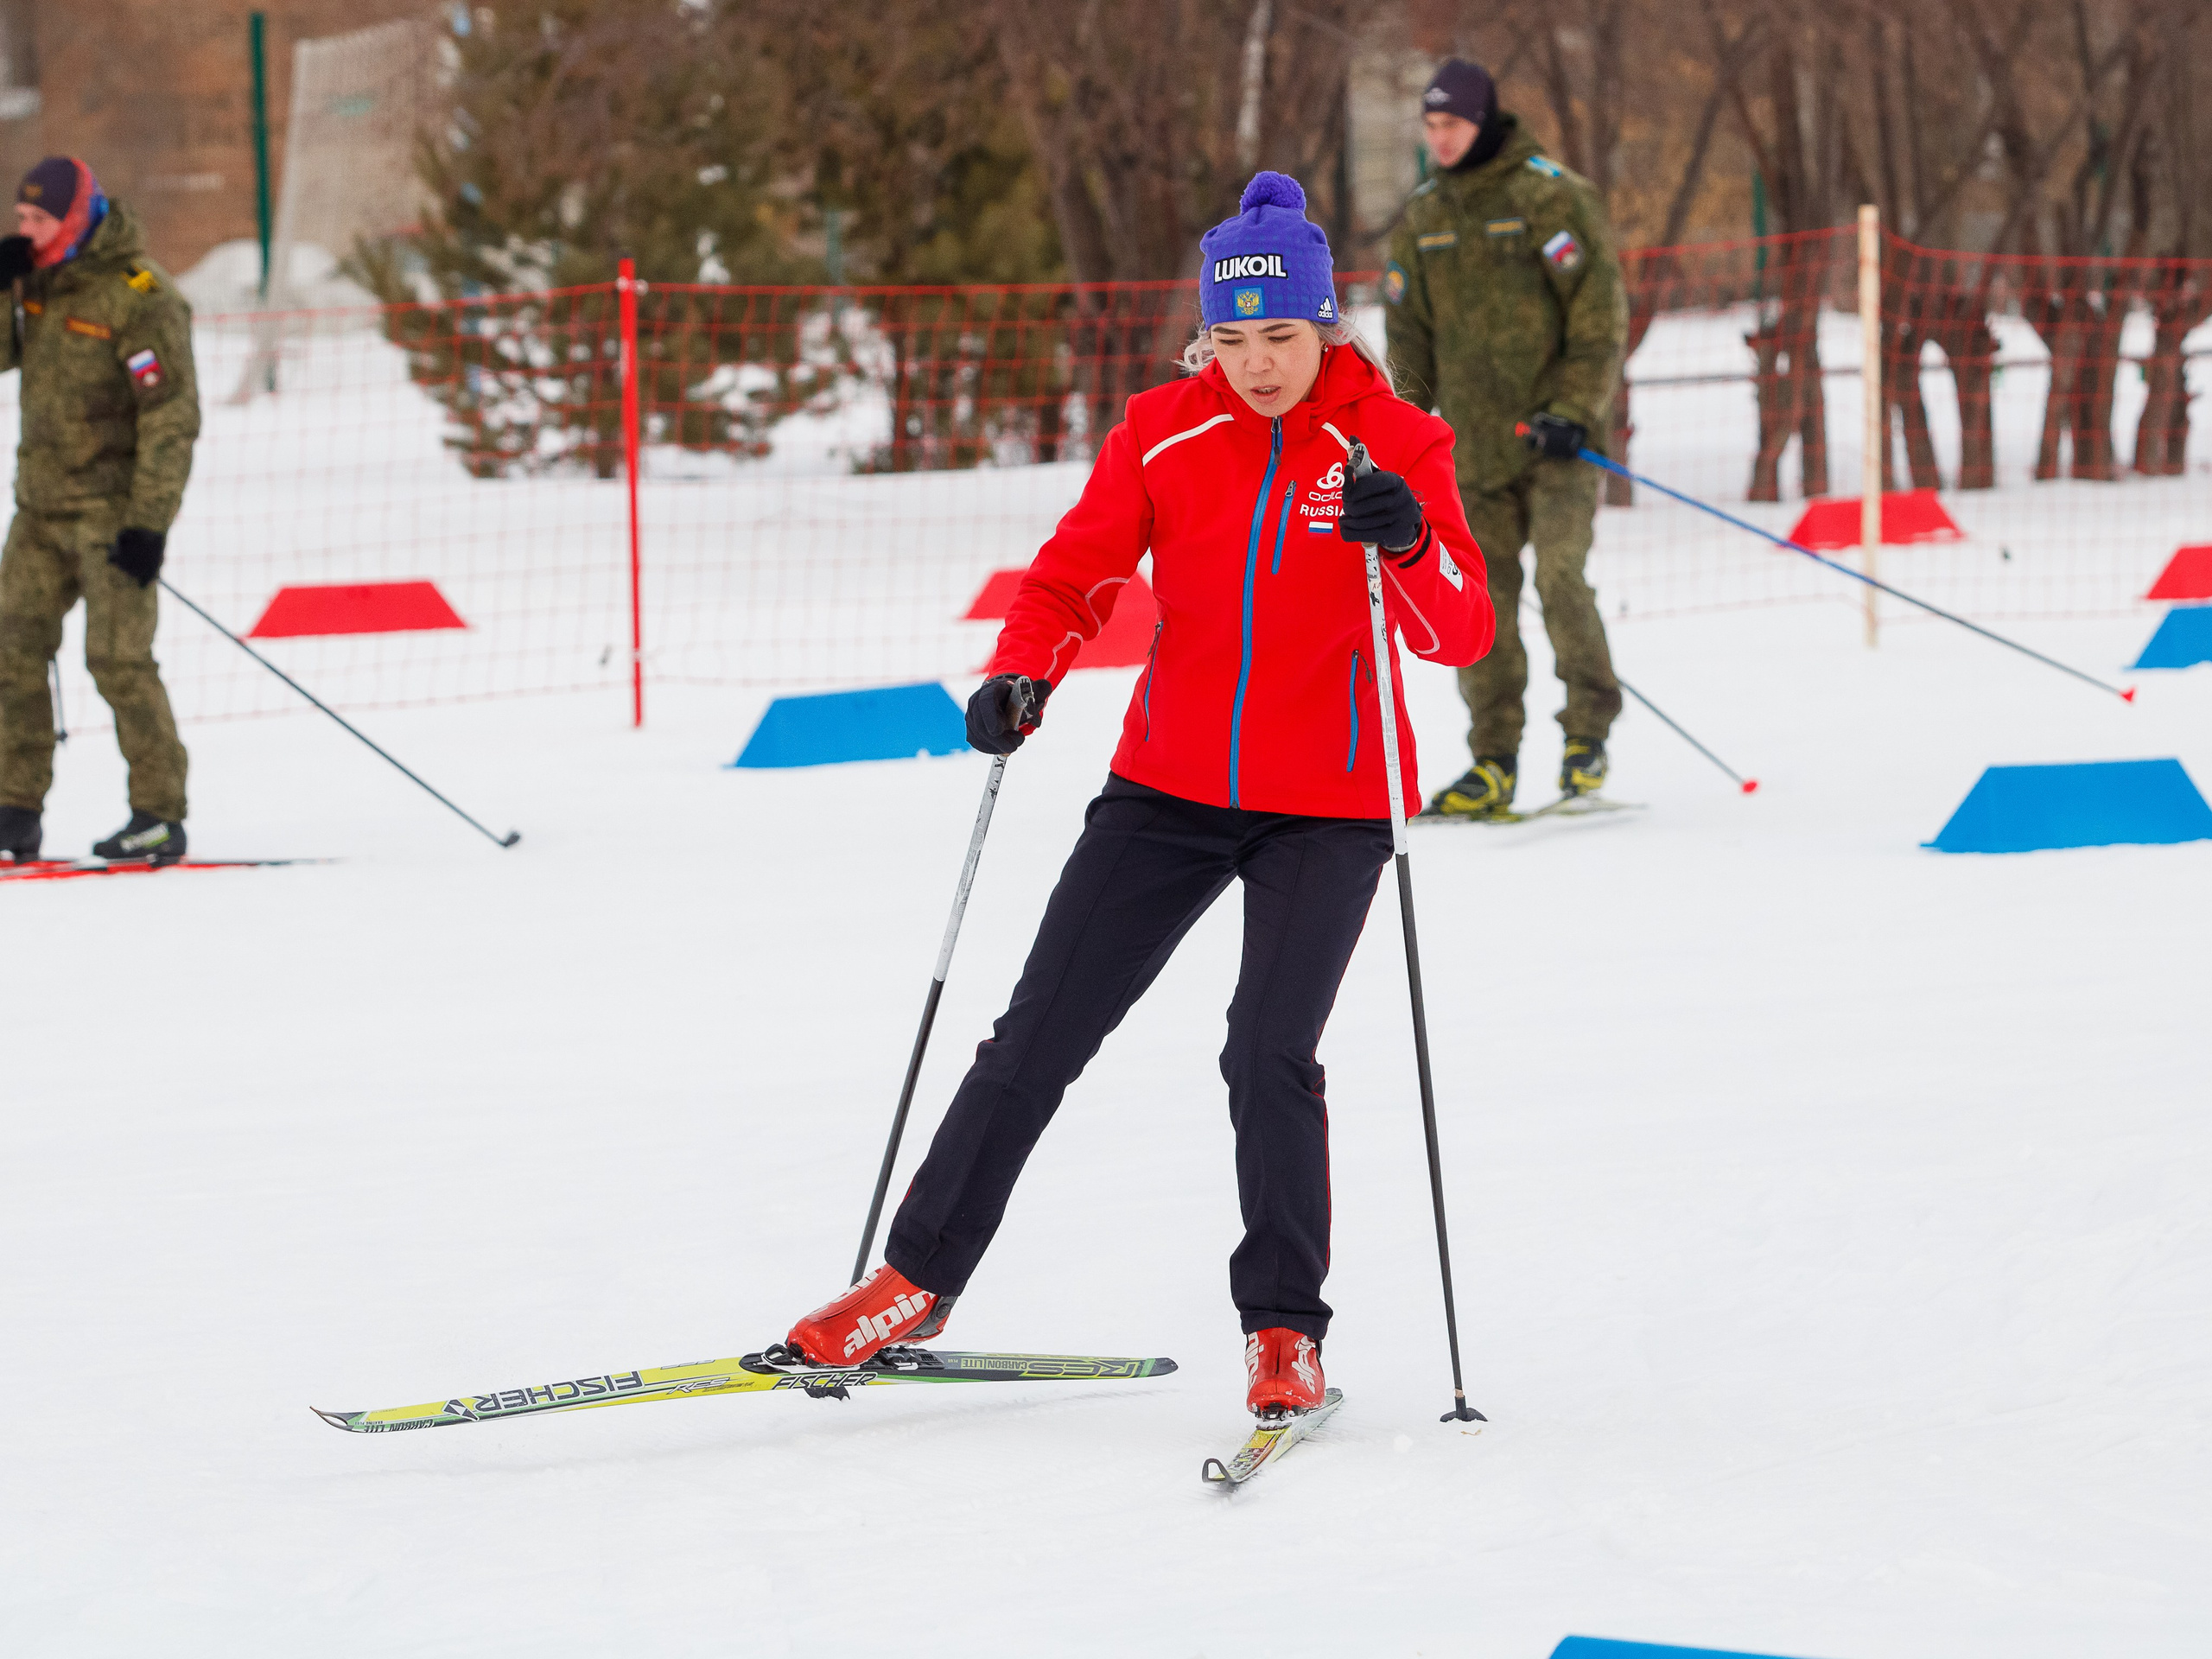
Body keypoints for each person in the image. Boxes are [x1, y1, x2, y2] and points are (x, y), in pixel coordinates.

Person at [780, 173, 1493, 1420]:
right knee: (1036, 1035)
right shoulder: (1164, 431)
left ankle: (1285, 1330)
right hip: (1165, 788)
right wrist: (1023, 669)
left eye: (1283, 337)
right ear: (1203, 336)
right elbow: (1073, 575)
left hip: (1329, 803)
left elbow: (1458, 634)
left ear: (1327, 325)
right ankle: (912, 1280)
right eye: (1234, 338)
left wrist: (1410, 544)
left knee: (1266, 1053)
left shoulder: (1396, 443)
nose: (1260, 364)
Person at [1383, 59, 1628, 821]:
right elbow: (1407, 343)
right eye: (1430, 128)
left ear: (1484, 121)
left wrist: (1574, 410)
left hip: (1555, 444)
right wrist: (1406, 436)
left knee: (1560, 578)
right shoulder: (1422, 219)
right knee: (1479, 603)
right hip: (1468, 458)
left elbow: (1599, 313)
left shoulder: (1550, 195)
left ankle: (1587, 732)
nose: (1441, 140)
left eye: (1451, 125)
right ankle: (1494, 757)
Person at [0, 156, 199, 864]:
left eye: (39, 221)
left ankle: (157, 813)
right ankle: (13, 811)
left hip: (112, 516)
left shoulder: (140, 295)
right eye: (20, 220)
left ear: (79, 217)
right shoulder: (36, 285)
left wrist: (149, 523)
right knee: (10, 654)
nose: (27, 233)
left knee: (117, 660)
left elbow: (171, 418)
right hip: (39, 513)